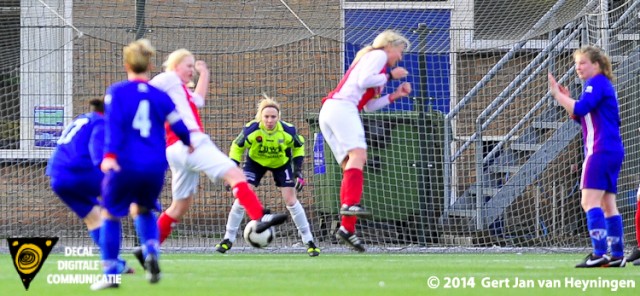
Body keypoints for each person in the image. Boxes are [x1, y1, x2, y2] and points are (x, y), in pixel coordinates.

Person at [134, 48, 287, 262]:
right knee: (235, 174)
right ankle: (260, 216)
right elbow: (146, 89)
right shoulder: (168, 79)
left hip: (175, 150)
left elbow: (199, 100)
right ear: (176, 66)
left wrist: (204, 74)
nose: (192, 70)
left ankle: (147, 249)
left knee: (180, 206)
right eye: (189, 65)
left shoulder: (181, 91)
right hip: (191, 142)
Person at [90, 38, 194, 290]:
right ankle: (151, 253)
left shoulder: (116, 92)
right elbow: (179, 125)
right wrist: (189, 142)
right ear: (149, 64)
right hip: (154, 166)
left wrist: (109, 156)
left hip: (124, 164)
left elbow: (113, 127)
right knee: (144, 210)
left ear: (127, 64)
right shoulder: (160, 96)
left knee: (110, 215)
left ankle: (110, 274)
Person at [318, 30, 412, 252]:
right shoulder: (378, 55)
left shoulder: (376, 66)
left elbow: (369, 106)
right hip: (342, 108)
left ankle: (347, 229)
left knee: (351, 164)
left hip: (332, 111)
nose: (400, 57)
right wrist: (391, 76)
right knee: (359, 155)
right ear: (390, 45)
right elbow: (363, 80)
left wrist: (395, 95)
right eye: (400, 51)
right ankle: (349, 208)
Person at [548, 45, 626, 268]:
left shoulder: (597, 83)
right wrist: (567, 100)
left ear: (597, 65)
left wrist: (558, 96)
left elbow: (581, 109)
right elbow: (581, 117)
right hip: (612, 150)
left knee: (588, 201)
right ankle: (617, 255)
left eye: (582, 63)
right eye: (576, 63)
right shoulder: (599, 85)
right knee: (607, 204)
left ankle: (599, 253)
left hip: (600, 150)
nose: (578, 67)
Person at [215, 95, 320, 257]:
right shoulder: (252, 129)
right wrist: (233, 169)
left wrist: (297, 170)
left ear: (278, 117)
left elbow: (299, 146)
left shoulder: (287, 131)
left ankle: (309, 241)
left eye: (273, 117)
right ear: (260, 117)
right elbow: (237, 146)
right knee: (243, 196)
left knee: (291, 200)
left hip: (281, 163)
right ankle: (228, 239)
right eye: (266, 117)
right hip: (255, 163)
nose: (270, 120)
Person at [46, 98, 133, 275]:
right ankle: (112, 262)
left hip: (57, 176)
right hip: (80, 172)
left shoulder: (83, 119)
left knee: (94, 218)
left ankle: (117, 264)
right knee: (113, 211)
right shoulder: (101, 122)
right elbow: (98, 153)